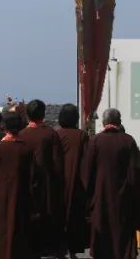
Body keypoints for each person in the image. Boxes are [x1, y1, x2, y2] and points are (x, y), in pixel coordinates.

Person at [82, 109, 140, 259]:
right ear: (119, 122)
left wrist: (89, 200)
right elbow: (135, 174)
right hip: (123, 199)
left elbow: (87, 174)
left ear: (103, 122)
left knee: (103, 238)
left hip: (101, 198)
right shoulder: (128, 141)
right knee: (122, 238)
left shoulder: (95, 141)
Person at [0, 111, 39, 259]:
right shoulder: (27, 149)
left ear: (4, 126)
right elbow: (34, 176)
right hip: (22, 196)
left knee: (1, 230)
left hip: (0, 196)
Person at [17, 100, 63, 257]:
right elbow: (58, 163)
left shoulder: (21, 134)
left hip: (26, 184)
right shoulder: (51, 134)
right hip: (47, 183)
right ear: (43, 114)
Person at [55, 105, 88, 259]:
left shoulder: (56, 134)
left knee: (58, 218)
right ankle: (73, 251)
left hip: (58, 184)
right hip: (76, 184)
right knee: (75, 219)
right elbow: (87, 161)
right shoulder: (82, 136)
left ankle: (59, 250)